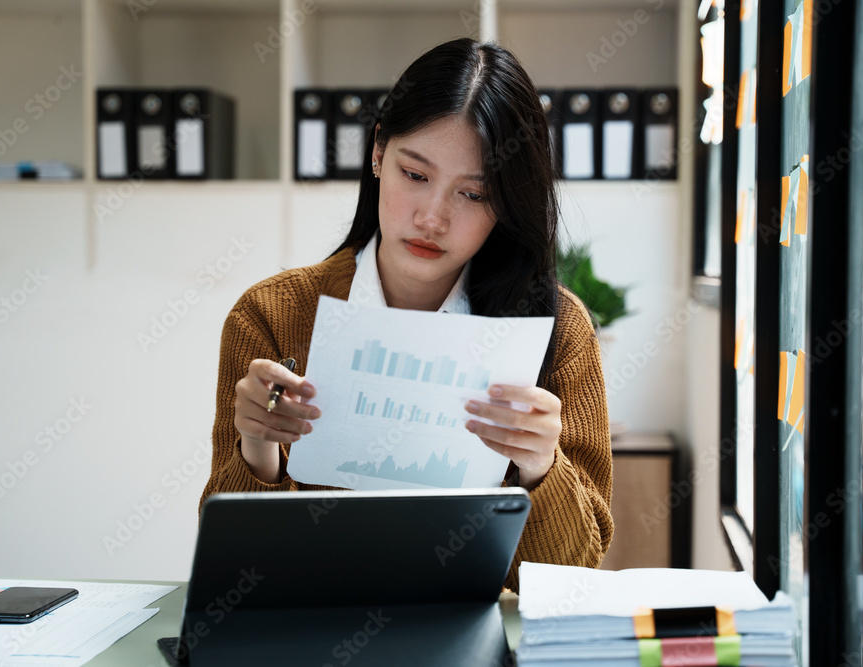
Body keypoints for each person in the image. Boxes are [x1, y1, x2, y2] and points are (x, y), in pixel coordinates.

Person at [198, 37, 613, 592]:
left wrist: (542, 469)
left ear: (509, 203)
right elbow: (239, 570)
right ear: (377, 152)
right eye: (415, 175)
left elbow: (571, 576)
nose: (432, 217)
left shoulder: (557, 331)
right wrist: (259, 451)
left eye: (473, 194)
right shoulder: (271, 315)